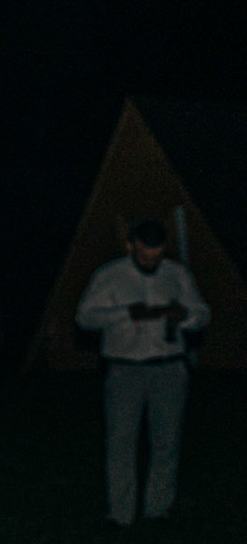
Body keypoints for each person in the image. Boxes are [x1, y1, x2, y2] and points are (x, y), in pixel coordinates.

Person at [74, 218, 209, 527]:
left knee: (166, 440)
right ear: (131, 246)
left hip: (169, 366)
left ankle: (157, 508)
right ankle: (120, 513)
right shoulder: (109, 276)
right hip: (125, 369)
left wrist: (185, 317)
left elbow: (201, 312)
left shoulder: (176, 274)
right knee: (121, 440)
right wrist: (125, 313)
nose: (151, 261)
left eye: (156, 256)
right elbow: (85, 317)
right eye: (145, 255)